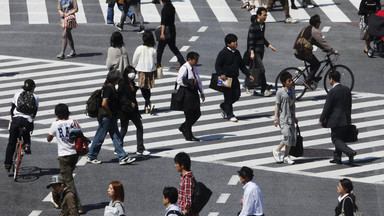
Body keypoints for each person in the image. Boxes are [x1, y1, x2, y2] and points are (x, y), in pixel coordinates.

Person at [86, 70, 136, 165]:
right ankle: (91, 156)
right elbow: (104, 104)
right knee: (100, 137)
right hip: (106, 117)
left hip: (110, 116)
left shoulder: (109, 87)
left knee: (116, 136)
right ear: (116, 80)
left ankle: (122, 157)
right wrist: (109, 114)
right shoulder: (109, 89)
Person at [47, 104, 83, 213]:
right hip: (74, 154)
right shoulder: (74, 122)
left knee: (68, 182)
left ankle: (78, 206)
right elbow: (80, 135)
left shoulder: (55, 124)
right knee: (65, 177)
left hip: (63, 155)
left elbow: (49, 139)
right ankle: (57, 198)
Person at [318, 71, 356, 165]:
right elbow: (349, 105)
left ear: (331, 79)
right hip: (346, 118)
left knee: (335, 139)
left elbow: (327, 107)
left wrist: (321, 119)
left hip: (336, 119)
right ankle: (337, 157)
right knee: (340, 138)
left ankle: (349, 152)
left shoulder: (332, 91)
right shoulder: (347, 90)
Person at [215, 33, 254, 122]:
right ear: (228, 43)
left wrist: (248, 74)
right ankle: (230, 114)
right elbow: (217, 65)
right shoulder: (223, 53)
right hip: (226, 79)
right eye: (234, 42)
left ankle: (224, 106)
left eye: (236, 41)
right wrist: (221, 74)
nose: (236, 43)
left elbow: (241, 65)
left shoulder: (237, 53)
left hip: (235, 78)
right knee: (228, 97)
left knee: (236, 95)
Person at [293, 14, 339, 90]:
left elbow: (314, 42)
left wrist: (324, 49)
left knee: (313, 62)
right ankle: (307, 80)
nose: (320, 24)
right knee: (316, 64)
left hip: (297, 50)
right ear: (317, 23)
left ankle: (311, 78)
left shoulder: (307, 28)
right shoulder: (314, 31)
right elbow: (323, 42)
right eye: (319, 22)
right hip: (302, 52)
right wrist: (333, 50)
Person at [4, 79, 39, 172]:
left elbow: (12, 109)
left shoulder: (17, 94)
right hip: (27, 120)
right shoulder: (35, 97)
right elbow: (34, 112)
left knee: (11, 142)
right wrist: (31, 120)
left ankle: (7, 164)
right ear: (32, 88)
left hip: (16, 120)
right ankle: (26, 144)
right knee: (27, 131)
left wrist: (12, 118)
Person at [118, 66, 151, 156]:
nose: (133, 74)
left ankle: (140, 148)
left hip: (133, 110)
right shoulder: (122, 82)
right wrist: (128, 102)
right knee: (124, 129)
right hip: (125, 109)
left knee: (139, 126)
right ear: (126, 73)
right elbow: (120, 95)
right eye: (131, 72)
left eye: (134, 72)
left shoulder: (131, 82)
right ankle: (118, 147)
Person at [246, 8, 276, 97]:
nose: (266, 16)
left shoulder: (263, 25)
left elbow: (262, 37)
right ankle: (263, 89)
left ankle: (250, 86)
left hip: (261, 50)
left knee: (255, 69)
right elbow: (251, 40)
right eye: (264, 15)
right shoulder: (253, 26)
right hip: (255, 51)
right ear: (258, 15)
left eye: (266, 15)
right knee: (261, 69)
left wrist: (269, 45)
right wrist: (251, 52)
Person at [177, 52, 205, 142]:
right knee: (189, 115)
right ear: (189, 59)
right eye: (195, 60)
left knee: (197, 113)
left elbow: (199, 81)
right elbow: (179, 80)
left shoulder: (194, 69)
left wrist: (202, 92)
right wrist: (190, 83)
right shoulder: (184, 68)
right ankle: (189, 135)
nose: (196, 62)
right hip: (187, 93)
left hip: (194, 93)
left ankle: (184, 127)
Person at [272, 72, 297, 165]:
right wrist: (275, 118)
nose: (291, 82)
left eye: (291, 80)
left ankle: (286, 156)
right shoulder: (280, 92)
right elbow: (277, 105)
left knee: (292, 137)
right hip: (283, 118)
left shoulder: (293, 91)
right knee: (287, 136)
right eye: (289, 81)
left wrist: (295, 116)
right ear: (284, 82)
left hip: (291, 117)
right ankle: (277, 149)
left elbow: (293, 104)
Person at [132, 31, 157, 114]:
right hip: (150, 71)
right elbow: (155, 61)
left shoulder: (139, 48)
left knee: (143, 88)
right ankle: (147, 105)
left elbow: (134, 60)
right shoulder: (153, 50)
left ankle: (149, 103)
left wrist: (134, 67)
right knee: (148, 88)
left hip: (142, 70)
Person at [156, 0, 186, 69]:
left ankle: (158, 64)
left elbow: (163, 22)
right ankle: (182, 61)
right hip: (172, 29)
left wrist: (162, 33)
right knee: (173, 47)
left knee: (160, 49)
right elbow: (169, 20)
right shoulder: (172, 7)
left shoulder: (164, 9)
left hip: (166, 31)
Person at [174, 152, 197, 216]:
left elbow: (188, 200)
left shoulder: (187, 179)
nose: (175, 165)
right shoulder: (185, 177)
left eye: (176, 163)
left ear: (182, 165)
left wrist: (184, 212)